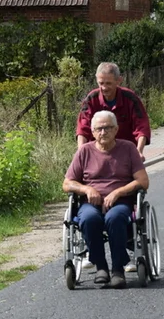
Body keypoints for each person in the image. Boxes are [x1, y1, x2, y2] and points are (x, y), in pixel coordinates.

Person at [63, 111, 150, 289]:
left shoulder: (128, 149)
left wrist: (118, 192)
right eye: (99, 129)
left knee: (115, 218)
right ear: (93, 132)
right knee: (88, 219)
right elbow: (67, 183)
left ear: (116, 129)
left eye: (107, 128)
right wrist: (87, 189)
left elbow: (143, 181)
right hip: (90, 202)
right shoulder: (84, 151)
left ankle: (117, 269)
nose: (103, 132)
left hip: (120, 202)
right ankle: (101, 267)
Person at [76, 62, 151, 160]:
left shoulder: (130, 99)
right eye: (101, 83)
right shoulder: (91, 99)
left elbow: (141, 126)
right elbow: (83, 127)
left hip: (126, 155)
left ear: (118, 80)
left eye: (108, 83)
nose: (104, 88)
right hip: (98, 155)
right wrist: (81, 152)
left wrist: (139, 150)